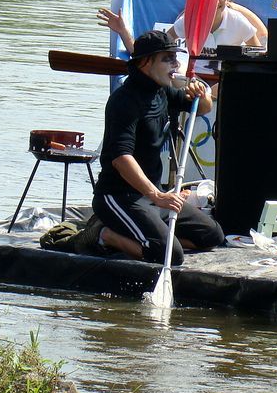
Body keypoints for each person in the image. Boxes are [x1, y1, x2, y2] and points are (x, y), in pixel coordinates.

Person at [82, 31, 224, 263]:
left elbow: (203, 108)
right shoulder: (124, 101)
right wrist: (156, 195)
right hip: (120, 196)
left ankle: (152, 238)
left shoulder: (162, 90)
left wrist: (202, 95)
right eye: (168, 58)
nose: (176, 64)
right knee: (171, 256)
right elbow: (121, 158)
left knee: (213, 235)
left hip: (153, 196)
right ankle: (104, 234)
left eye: (175, 57)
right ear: (146, 62)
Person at [97, 0, 265, 55]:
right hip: (195, 81)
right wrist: (123, 31)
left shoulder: (238, 22)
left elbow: (258, 55)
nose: (216, 1)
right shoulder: (189, 21)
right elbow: (151, 49)